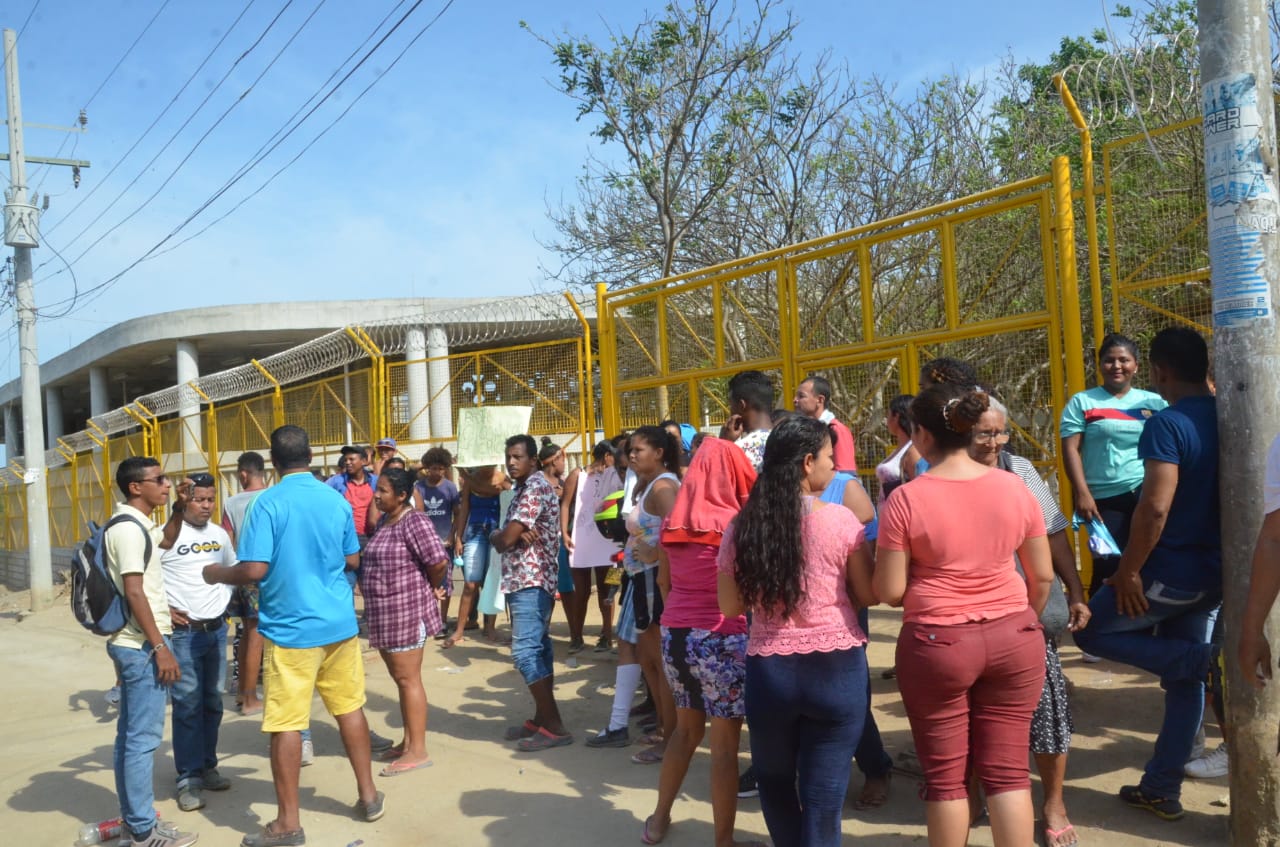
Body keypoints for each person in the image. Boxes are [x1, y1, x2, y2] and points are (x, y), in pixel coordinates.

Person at [875, 383, 1052, 847]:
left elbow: (890, 591)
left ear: (921, 435)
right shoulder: (1014, 487)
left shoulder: (906, 500)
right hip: (1016, 636)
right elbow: (1043, 576)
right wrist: (1018, 620)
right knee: (1009, 772)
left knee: (947, 778)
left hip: (938, 643)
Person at [204, 425, 383, 847]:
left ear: (274, 460)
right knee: (350, 708)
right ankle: (369, 796)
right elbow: (352, 557)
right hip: (338, 625)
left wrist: (215, 573)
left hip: (290, 630)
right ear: (309, 455)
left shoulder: (268, 504)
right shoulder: (335, 499)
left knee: (286, 722)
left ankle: (288, 823)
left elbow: (253, 569)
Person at [1073, 327, 1221, 822]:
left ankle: (1204, 660)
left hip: (1170, 571)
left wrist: (1129, 571)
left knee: (1090, 629)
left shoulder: (1167, 422)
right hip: (1214, 574)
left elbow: (1154, 508)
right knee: (1184, 679)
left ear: (1157, 370)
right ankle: (1162, 787)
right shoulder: (1230, 414)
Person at [717, 416, 876, 847]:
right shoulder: (842, 522)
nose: (834, 468)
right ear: (807, 462)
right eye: (829, 458)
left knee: (775, 783)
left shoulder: (742, 528)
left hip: (771, 674)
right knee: (824, 799)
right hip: (837, 671)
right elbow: (867, 593)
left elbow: (730, 606)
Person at [968, 396, 1092, 847]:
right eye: (985, 433)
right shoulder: (945, 474)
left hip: (1029, 616)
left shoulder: (1019, 470)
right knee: (974, 713)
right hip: (970, 619)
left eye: (1001, 432)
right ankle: (974, 792)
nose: (996, 442)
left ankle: (1054, 803)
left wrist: (1074, 591)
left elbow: (1054, 532)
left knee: (1047, 710)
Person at [643, 434, 755, 847]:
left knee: (685, 733)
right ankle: (723, 841)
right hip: (723, 639)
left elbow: (663, 582)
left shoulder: (674, 522)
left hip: (675, 636)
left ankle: (657, 822)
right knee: (724, 748)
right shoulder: (738, 524)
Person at [105, 457, 197, 847]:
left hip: (140, 641)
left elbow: (166, 542)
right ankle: (143, 830)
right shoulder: (127, 530)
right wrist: (160, 646)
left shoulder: (140, 525)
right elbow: (134, 591)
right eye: (158, 480)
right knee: (142, 741)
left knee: (130, 738)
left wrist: (177, 506)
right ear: (135, 488)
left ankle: (135, 823)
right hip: (141, 647)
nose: (166, 483)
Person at [587, 426, 680, 758]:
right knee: (650, 662)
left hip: (655, 582)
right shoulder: (646, 485)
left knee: (659, 664)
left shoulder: (664, 487)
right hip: (642, 581)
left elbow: (679, 526)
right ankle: (665, 733)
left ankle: (672, 740)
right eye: (631, 450)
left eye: (639, 450)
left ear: (659, 452)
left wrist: (656, 555)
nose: (632, 455)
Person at [1060, 333, 1167, 596]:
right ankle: (1095, 628)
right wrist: (1082, 494)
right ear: (1099, 365)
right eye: (1109, 360)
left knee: (1148, 563)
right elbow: (1070, 449)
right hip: (1102, 502)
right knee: (1106, 565)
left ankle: (1140, 626)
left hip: (1146, 496)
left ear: (1137, 366)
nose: (1117, 366)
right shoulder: (1082, 402)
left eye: (1124, 360)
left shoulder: (1154, 403)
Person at [360, 467, 450, 777]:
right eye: (377, 489)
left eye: (383, 491)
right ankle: (408, 741)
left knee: (409, 680)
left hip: (407, 613)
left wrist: (431, 583)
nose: (377, 495)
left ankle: (418, 751)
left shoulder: (415, 520)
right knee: (402, 681)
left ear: (402, 495)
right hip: (388, 614)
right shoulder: (388, 519)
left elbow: (438, 560)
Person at [162, 472, 237, 813]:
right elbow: (143, 574)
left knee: (213, 703)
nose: (206, 506)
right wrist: (162, 608)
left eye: (210, 500)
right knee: (187, 705)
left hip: (216, 631)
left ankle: (208, 766)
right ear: (185, 500)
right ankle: (187, 778)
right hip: (184, 635)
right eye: (199, 499)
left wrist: (224, 600)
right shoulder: (169, 536)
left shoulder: (219, 535)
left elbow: (231, 569)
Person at [493, 433, 572, 751]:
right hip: (530, 580)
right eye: (509, 456)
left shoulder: (534, 488)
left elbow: (505, 539)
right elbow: (510, 534)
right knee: (539, 650)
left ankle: (554, 726)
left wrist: (500, 534)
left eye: (518, 457)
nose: (512, 462)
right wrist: (507, 533)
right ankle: (542, 717)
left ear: (533, 460)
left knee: (525, 652)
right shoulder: (527, 488)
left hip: (531, 580)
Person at [561, 440, 623, 653]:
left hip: (607, 543)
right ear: (607, 456)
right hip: (581, 542)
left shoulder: (615, 475)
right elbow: (566, 504)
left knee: (608, 590)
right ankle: (576, 636)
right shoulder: (577, 475)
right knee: (582, 591)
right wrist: (564, 533)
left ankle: (606, 636)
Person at [443, 464, 509, 647]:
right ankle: (460, 630)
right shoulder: (473, 481)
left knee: (491, 581)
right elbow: (464, 509)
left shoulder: (502, 480)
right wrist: (458, 538)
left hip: (496, 532)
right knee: (470, 584)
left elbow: (494, 490)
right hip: (475, 532)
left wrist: (467, 478)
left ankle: (490, 628)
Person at [223, 451, 268, 716]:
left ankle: (243, 692)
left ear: (243, 474)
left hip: (241, 570)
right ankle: (250, 698)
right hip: (265, 573)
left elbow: (227, 540)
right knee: (256, 635)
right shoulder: (271, 497)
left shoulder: (231, 502)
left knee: (246, 634)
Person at [414, 447, 461, 627]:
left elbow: (457, 514)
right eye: (433, 468)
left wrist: (452, 536)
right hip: (424, 544)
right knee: (425, 582)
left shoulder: (450, 487)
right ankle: (428, 619)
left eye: (441, 468)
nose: (437, 472)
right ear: (427, 467)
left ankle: (442, 620)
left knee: (445, 583)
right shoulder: (418, 487)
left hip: (444, 544)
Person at [793, 375, 856, 472]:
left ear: (820, 400)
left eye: (801, 396)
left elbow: (845, 474)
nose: (795, 400)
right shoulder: (802, 430)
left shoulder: (836, 429)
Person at [327, 445, 378, 558]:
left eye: (352, 459)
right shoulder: (336, 481)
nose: (348, 462)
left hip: (371, 536)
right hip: (347, 536)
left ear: (364, 461)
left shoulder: (375, 481)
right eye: (346, 460)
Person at [720, 369, 774, 472]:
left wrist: (722, 443)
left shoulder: (739, 450)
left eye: (731, 404)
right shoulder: (788, 440)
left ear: (742, 405)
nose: (730, 410)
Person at [876, 394, 919, 507]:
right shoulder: (899, 449)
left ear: (896, 417)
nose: (886, 420)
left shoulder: (913, 451)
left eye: (888, 414)